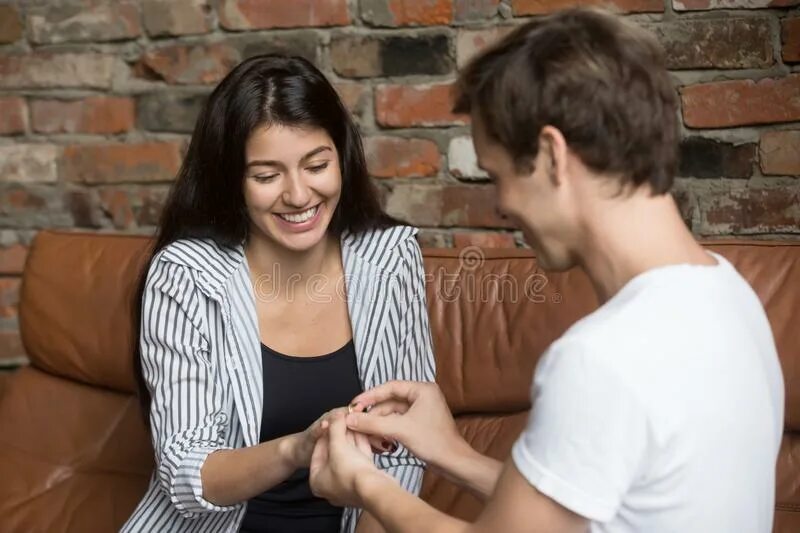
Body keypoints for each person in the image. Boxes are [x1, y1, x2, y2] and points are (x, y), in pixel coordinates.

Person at [309, 8, 784, 533]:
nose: (501, 207)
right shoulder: (728, 293)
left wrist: (361, 483)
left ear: (553, 157)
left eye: (498, 176)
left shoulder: (601, 359)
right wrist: (451, 452)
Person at [122, 54, 436, 533]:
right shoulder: (187, 276)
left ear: (342, 158)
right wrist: (299, 447)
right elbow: (188, 475)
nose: (297, 195)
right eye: (267, 176)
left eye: (316, 165)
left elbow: (406, 448)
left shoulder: (391, 259)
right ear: (233, 180)